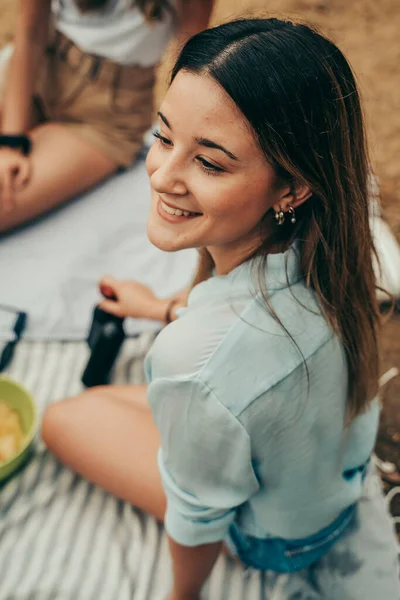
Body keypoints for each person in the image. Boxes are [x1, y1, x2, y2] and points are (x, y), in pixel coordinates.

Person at [42, 18, 400, 600]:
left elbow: (198, 516)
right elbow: (242, 362)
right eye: (162, 137)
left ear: (292, 187)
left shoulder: (193, 364)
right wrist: (161, 308)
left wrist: (180, 597)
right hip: (325, 480)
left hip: (274, 536)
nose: (161, 175)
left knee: (64, 418)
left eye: (209, 163)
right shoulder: (337, 251)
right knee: (123, 408)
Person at [0, 0, 214, 233]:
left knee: (5, 196)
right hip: (36, 71)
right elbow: (31, 32)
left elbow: (189, 59)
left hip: (106, 117)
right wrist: (11, 142)